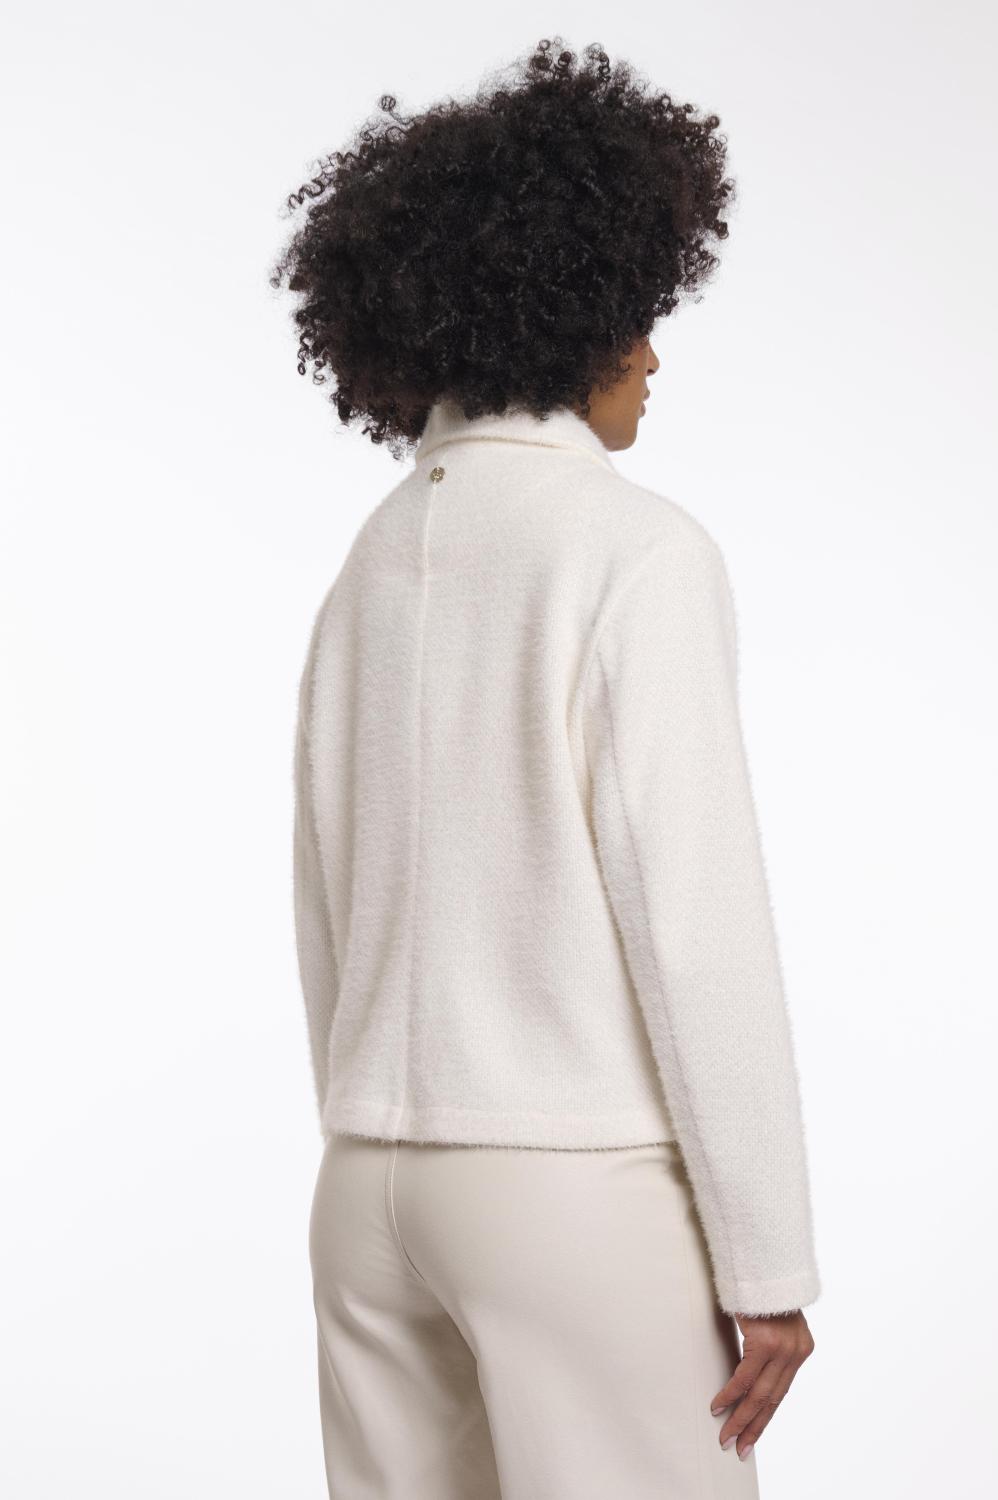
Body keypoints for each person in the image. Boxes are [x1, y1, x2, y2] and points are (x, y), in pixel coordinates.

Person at [270, 34, 820, 1500]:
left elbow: (325, 895)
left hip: (366, 1188)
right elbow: (693, 918)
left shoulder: (370, 566)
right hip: (570, 1187)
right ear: (567, 316)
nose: (653, 355)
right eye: (638, 317)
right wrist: (765, 1259)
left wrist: (370, 1114)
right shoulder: (632, 551)